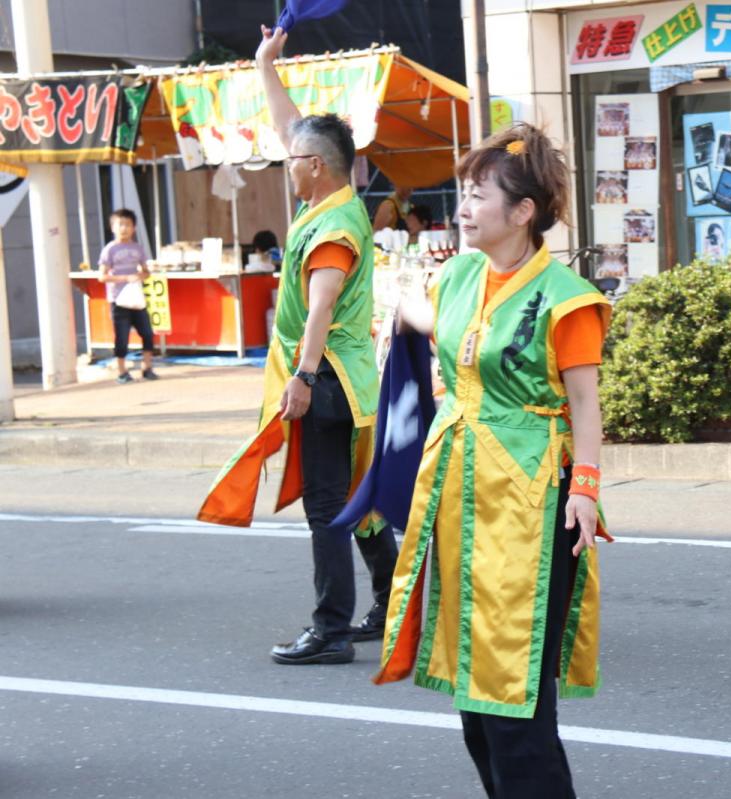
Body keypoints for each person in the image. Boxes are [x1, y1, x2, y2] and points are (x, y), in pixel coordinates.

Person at [375, 122, 612, 798]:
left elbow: (585, 407)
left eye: (478, 195)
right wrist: (402, 306)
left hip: (534, 499)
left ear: (524, 212)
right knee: (474, 697)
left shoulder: (567, 299)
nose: (463, 208)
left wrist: (586, 491)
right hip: (462, 492)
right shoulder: (459, 275)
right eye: (462, 193)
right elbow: (447, 330)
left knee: (514, 696)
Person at [197, 24, 397, 664]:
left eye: (291, 161)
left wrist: (303, 379)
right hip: (349, 376)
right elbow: (291, 127)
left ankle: (331, 629)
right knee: (355, 500)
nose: (286, 164)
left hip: (329, 377)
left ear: (315, 167)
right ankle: (392, 605)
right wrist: (264, 65)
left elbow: (320, 309)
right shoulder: (336, 195)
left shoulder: (334, 225)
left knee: (327, 506)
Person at [98, 209, 157, 384]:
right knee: (122, 336)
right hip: (118, 299)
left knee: (147, 332)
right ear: (113, 227)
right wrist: (124, 278)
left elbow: (146, 272)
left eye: (128, 224)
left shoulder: (138, 248)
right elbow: (102, 276)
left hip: (137, 299)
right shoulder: (110, 250)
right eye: (120, 224)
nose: (124, 228)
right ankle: (122, 371)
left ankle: (147, 367)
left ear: (134, 228)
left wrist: (141, 275)